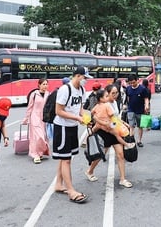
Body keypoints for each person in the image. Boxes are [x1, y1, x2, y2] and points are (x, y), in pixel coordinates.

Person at [52, 66, 91, 204]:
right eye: (85, 78)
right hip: (62, 127)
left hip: (72, 127)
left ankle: (58, 184)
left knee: (65, 158)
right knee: (66, 159)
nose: (86, 81)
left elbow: (80, 107)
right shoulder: (65, 89)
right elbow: (59, 111)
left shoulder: (81, 90)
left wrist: (84, 117)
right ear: (78, 76)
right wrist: (77, 118)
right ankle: (71, 191)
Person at [84, 84, 133, 188]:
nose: (115, 95)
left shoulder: (114, 103)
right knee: (100, 155)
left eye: (117, 93)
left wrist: (122, 122)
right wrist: (101, 122)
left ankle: (122, 179)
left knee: (120, 155)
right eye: (112, 93)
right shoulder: (103, 105)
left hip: (114, 130)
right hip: (104, 132)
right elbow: (93, 115)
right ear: (106, 94)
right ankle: (89, 171)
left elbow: (115, 117)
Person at [22, 78, 50, 164]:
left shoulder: (48, 94)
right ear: (39, 85)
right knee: (37, 137)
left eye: (46, 84)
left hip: (44, 118)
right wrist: (26, 118)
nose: (45, 86)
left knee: (43, 136)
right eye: (43, 84)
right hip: (34, 117)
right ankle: (35, 155)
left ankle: (40, 153)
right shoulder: (34, 94)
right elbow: (30, 107)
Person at [125, 74, 150, 147]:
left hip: (140, 110)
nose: (132, 84)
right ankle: (132, 141)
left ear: (137, 80)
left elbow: (146, 98)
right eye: (130, 83)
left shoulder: (142, 89)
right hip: (130, 109)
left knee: (140, 126)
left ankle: (139, 141)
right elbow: (128, 97)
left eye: (133, 82)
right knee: (131, 126)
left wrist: (147, 105)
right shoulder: (128, 88)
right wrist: (125, 105)